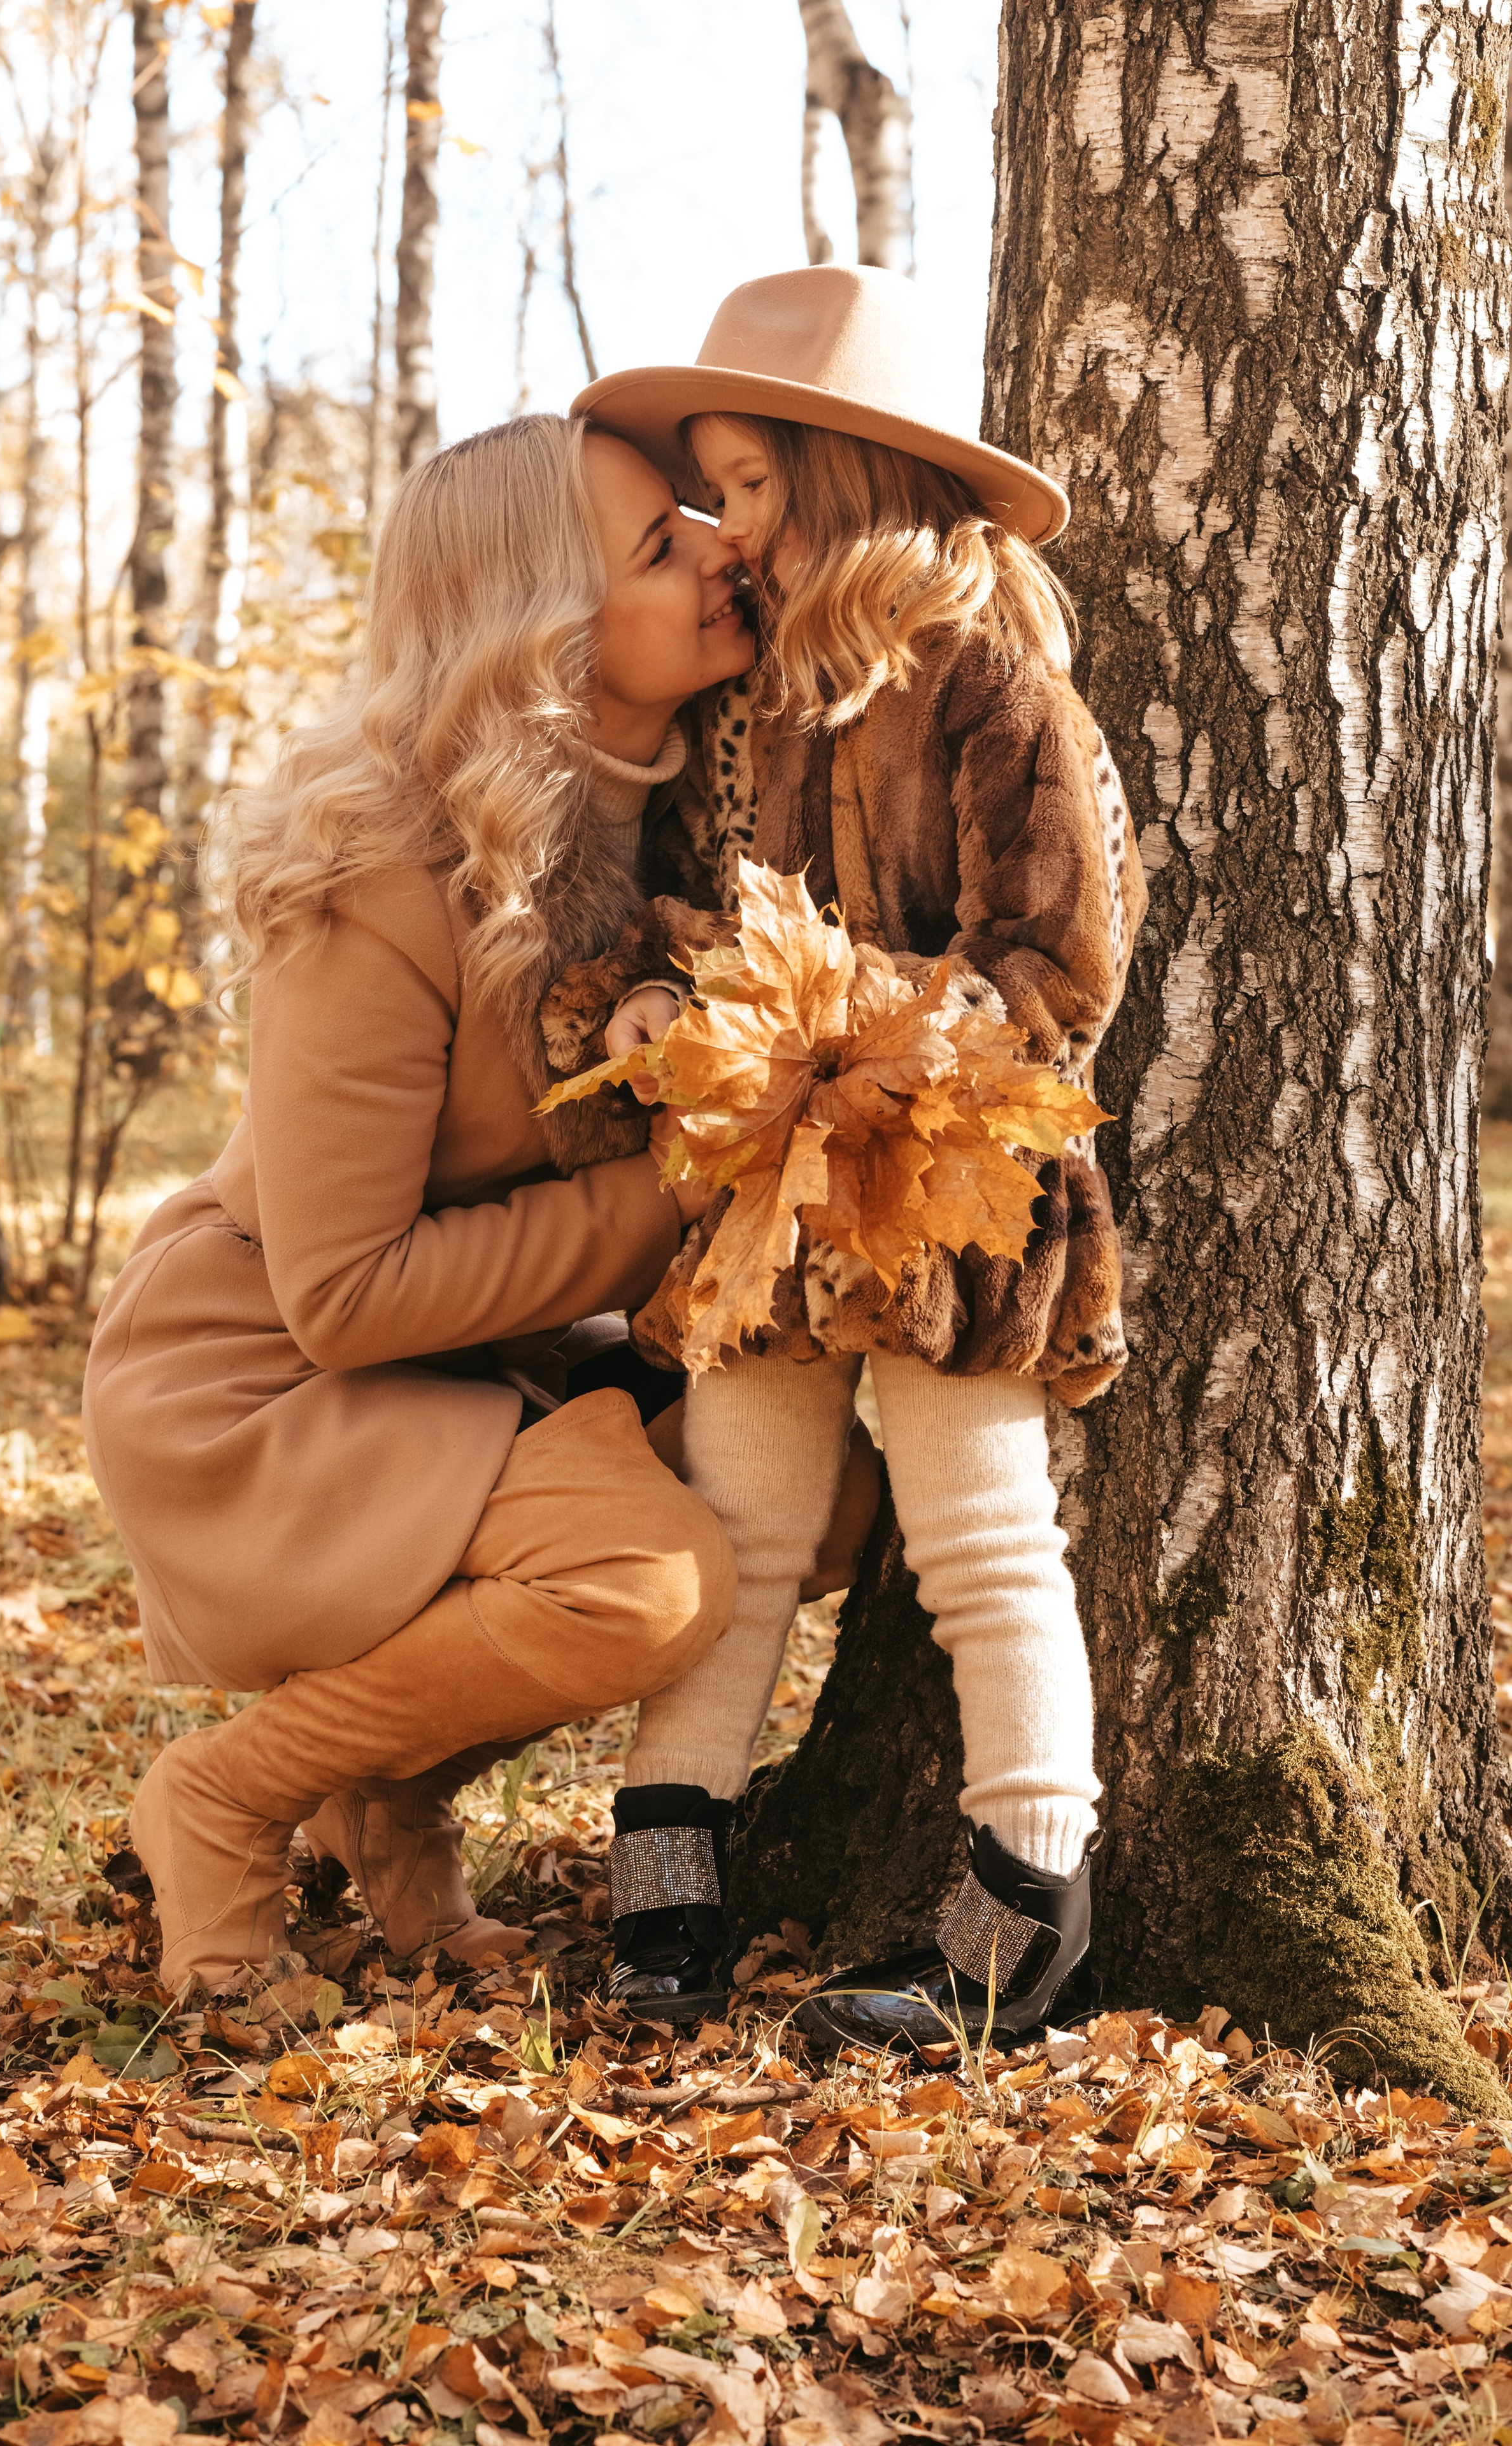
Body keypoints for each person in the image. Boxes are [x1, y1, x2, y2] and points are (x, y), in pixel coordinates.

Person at [82, 413, 761, 1993]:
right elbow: (347, 1291)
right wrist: (677, 1188)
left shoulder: (658, 812)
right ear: (540, 634)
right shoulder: (379, 869)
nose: (721, 547)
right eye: (659, 546)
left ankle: (388, 1805)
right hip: (270, 1380)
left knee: (831, 1499)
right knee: (649, 1584)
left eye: (694, 520)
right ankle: (232, 1797)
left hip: (482, 1349)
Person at [548, 266, 1149, 2050]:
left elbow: (1054, 967)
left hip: (949, 1192)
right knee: (739, 1531)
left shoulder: (990, 690)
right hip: (760, 1207)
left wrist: (853, 1025)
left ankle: (1031, 1904)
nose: (719, 532)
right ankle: (670, 1870)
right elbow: (669, 917)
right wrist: (657, 1002)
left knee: (980, 1537)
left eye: (740, 485)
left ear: (836, 478)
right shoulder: (742, 714)